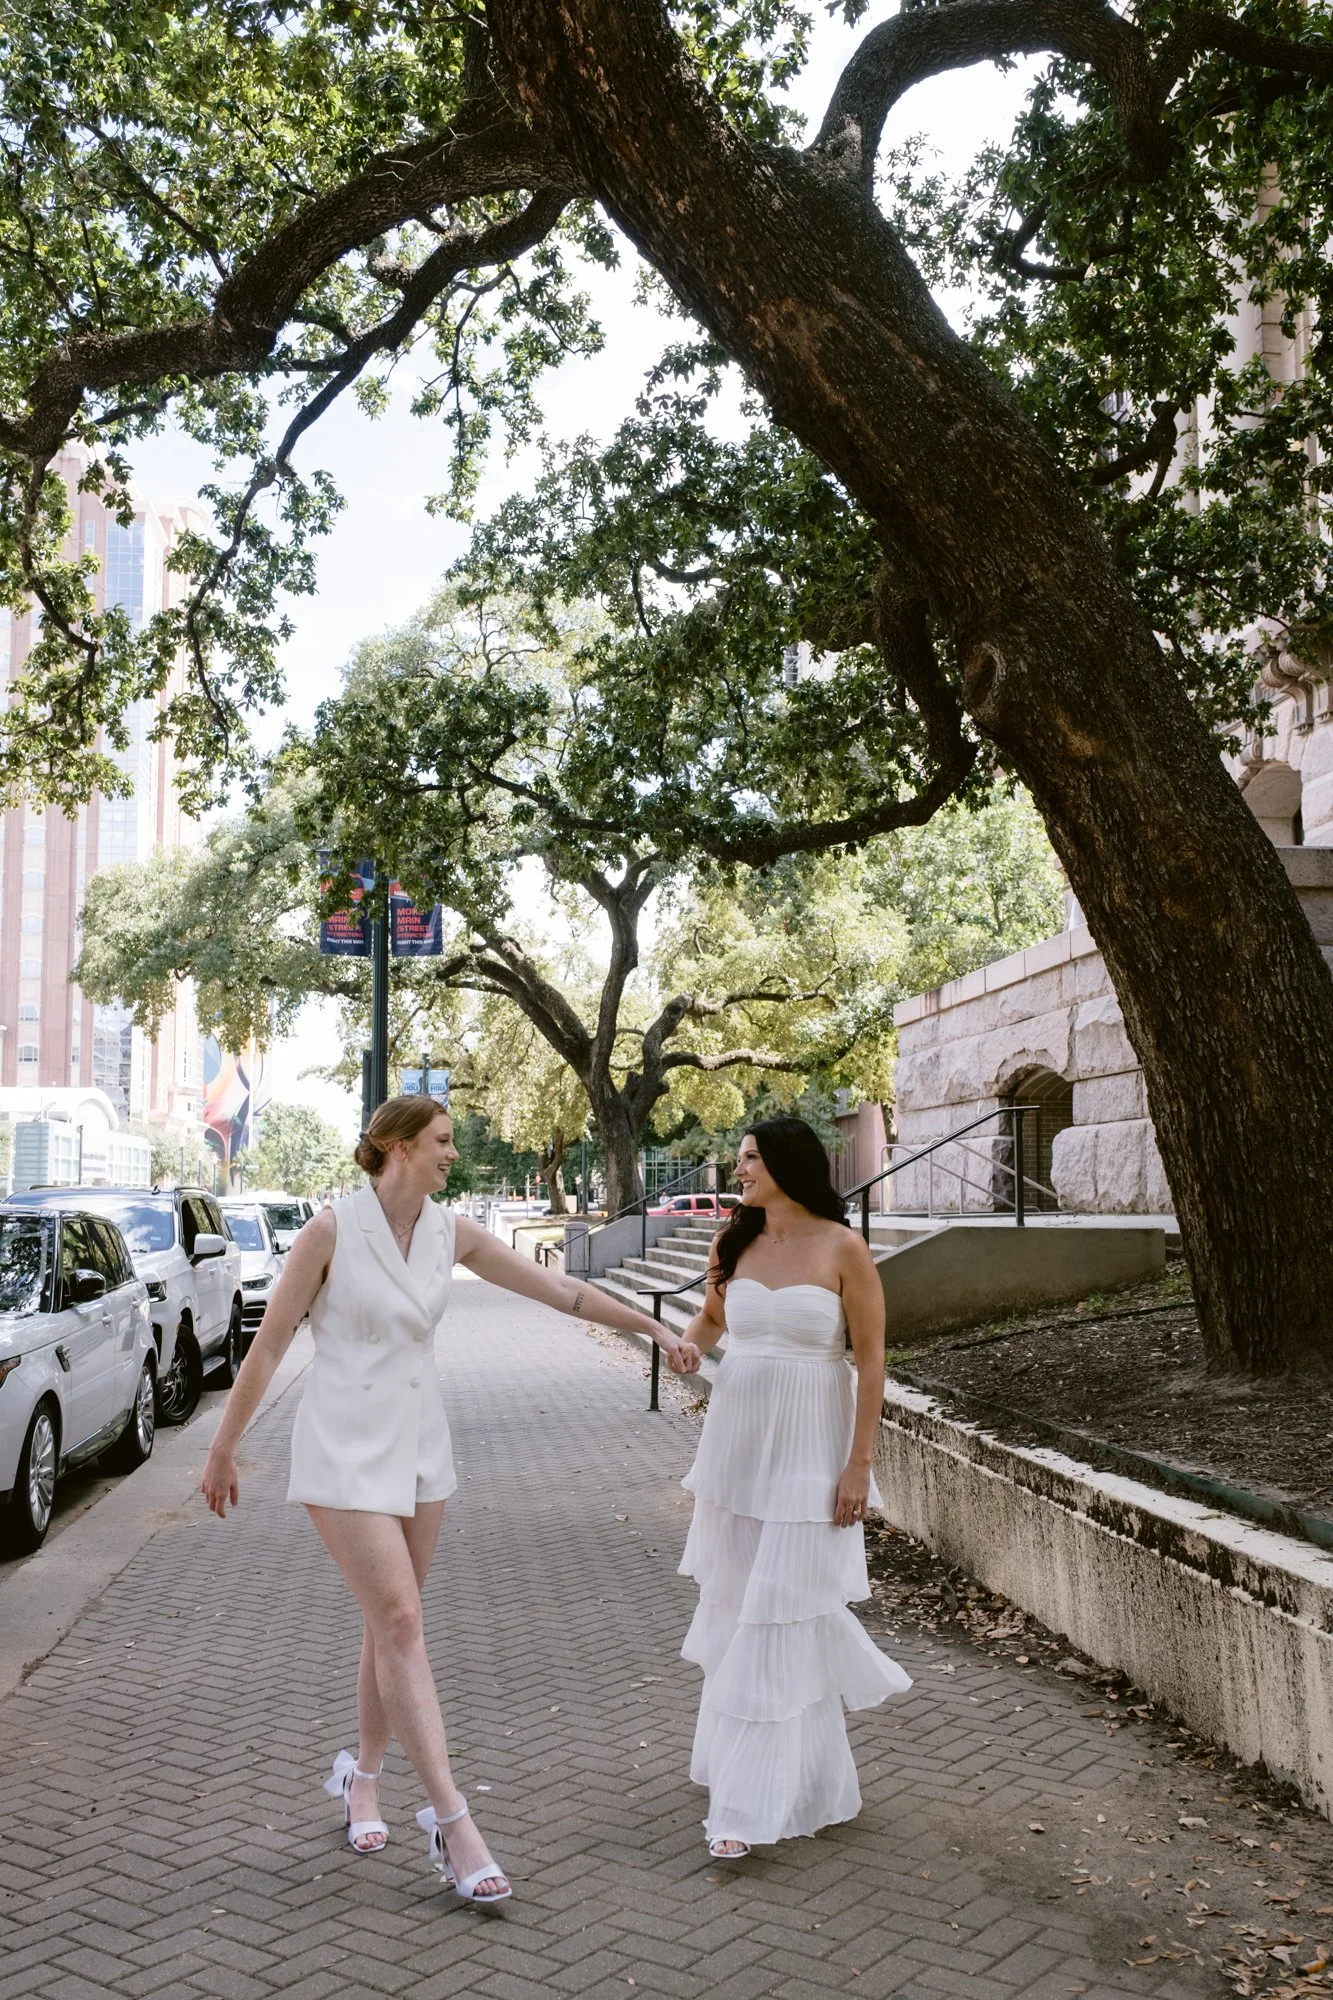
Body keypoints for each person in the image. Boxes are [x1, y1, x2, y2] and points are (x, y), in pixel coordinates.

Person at [200, 1094, 697, 1906]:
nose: (452, 1155)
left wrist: (655, 1331)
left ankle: (361, 1778)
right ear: (395, 1146)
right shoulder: (331, 1230)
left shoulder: (450, 1230)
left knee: (387, 1623)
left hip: (421, 1446)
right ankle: (452, 1820)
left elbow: (559, 1294)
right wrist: (225, 1448)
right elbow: (269, 1345)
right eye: (440, 1142)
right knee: (400, 1620)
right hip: (340, 1447)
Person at [675, 1117, 911, 1859]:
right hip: (737, 1449)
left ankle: (752, 1804)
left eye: (749, 1158)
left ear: (786, 1164)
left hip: (812, 1448)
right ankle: (775, 1774)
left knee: (782, 1614)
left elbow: (870, 1362)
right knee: (741, 1608)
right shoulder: (732, 1243)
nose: (737, 1168)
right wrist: (685, 1348)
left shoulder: (844, 1247)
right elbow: (712, 1321)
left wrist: (859, 1465)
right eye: (738, 1156)